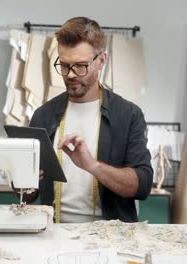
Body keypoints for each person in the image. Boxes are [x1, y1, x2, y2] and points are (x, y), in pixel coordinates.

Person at [28, 17, 153, 223]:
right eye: (65, 65)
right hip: (53, 232)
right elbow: (29, 194)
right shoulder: (43, 115)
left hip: (110, 238)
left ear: (101, 60)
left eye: (81, 66)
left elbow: (142, 185)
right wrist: (22, 180)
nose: (71, 75)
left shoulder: (128, 115)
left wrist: (92, 166)